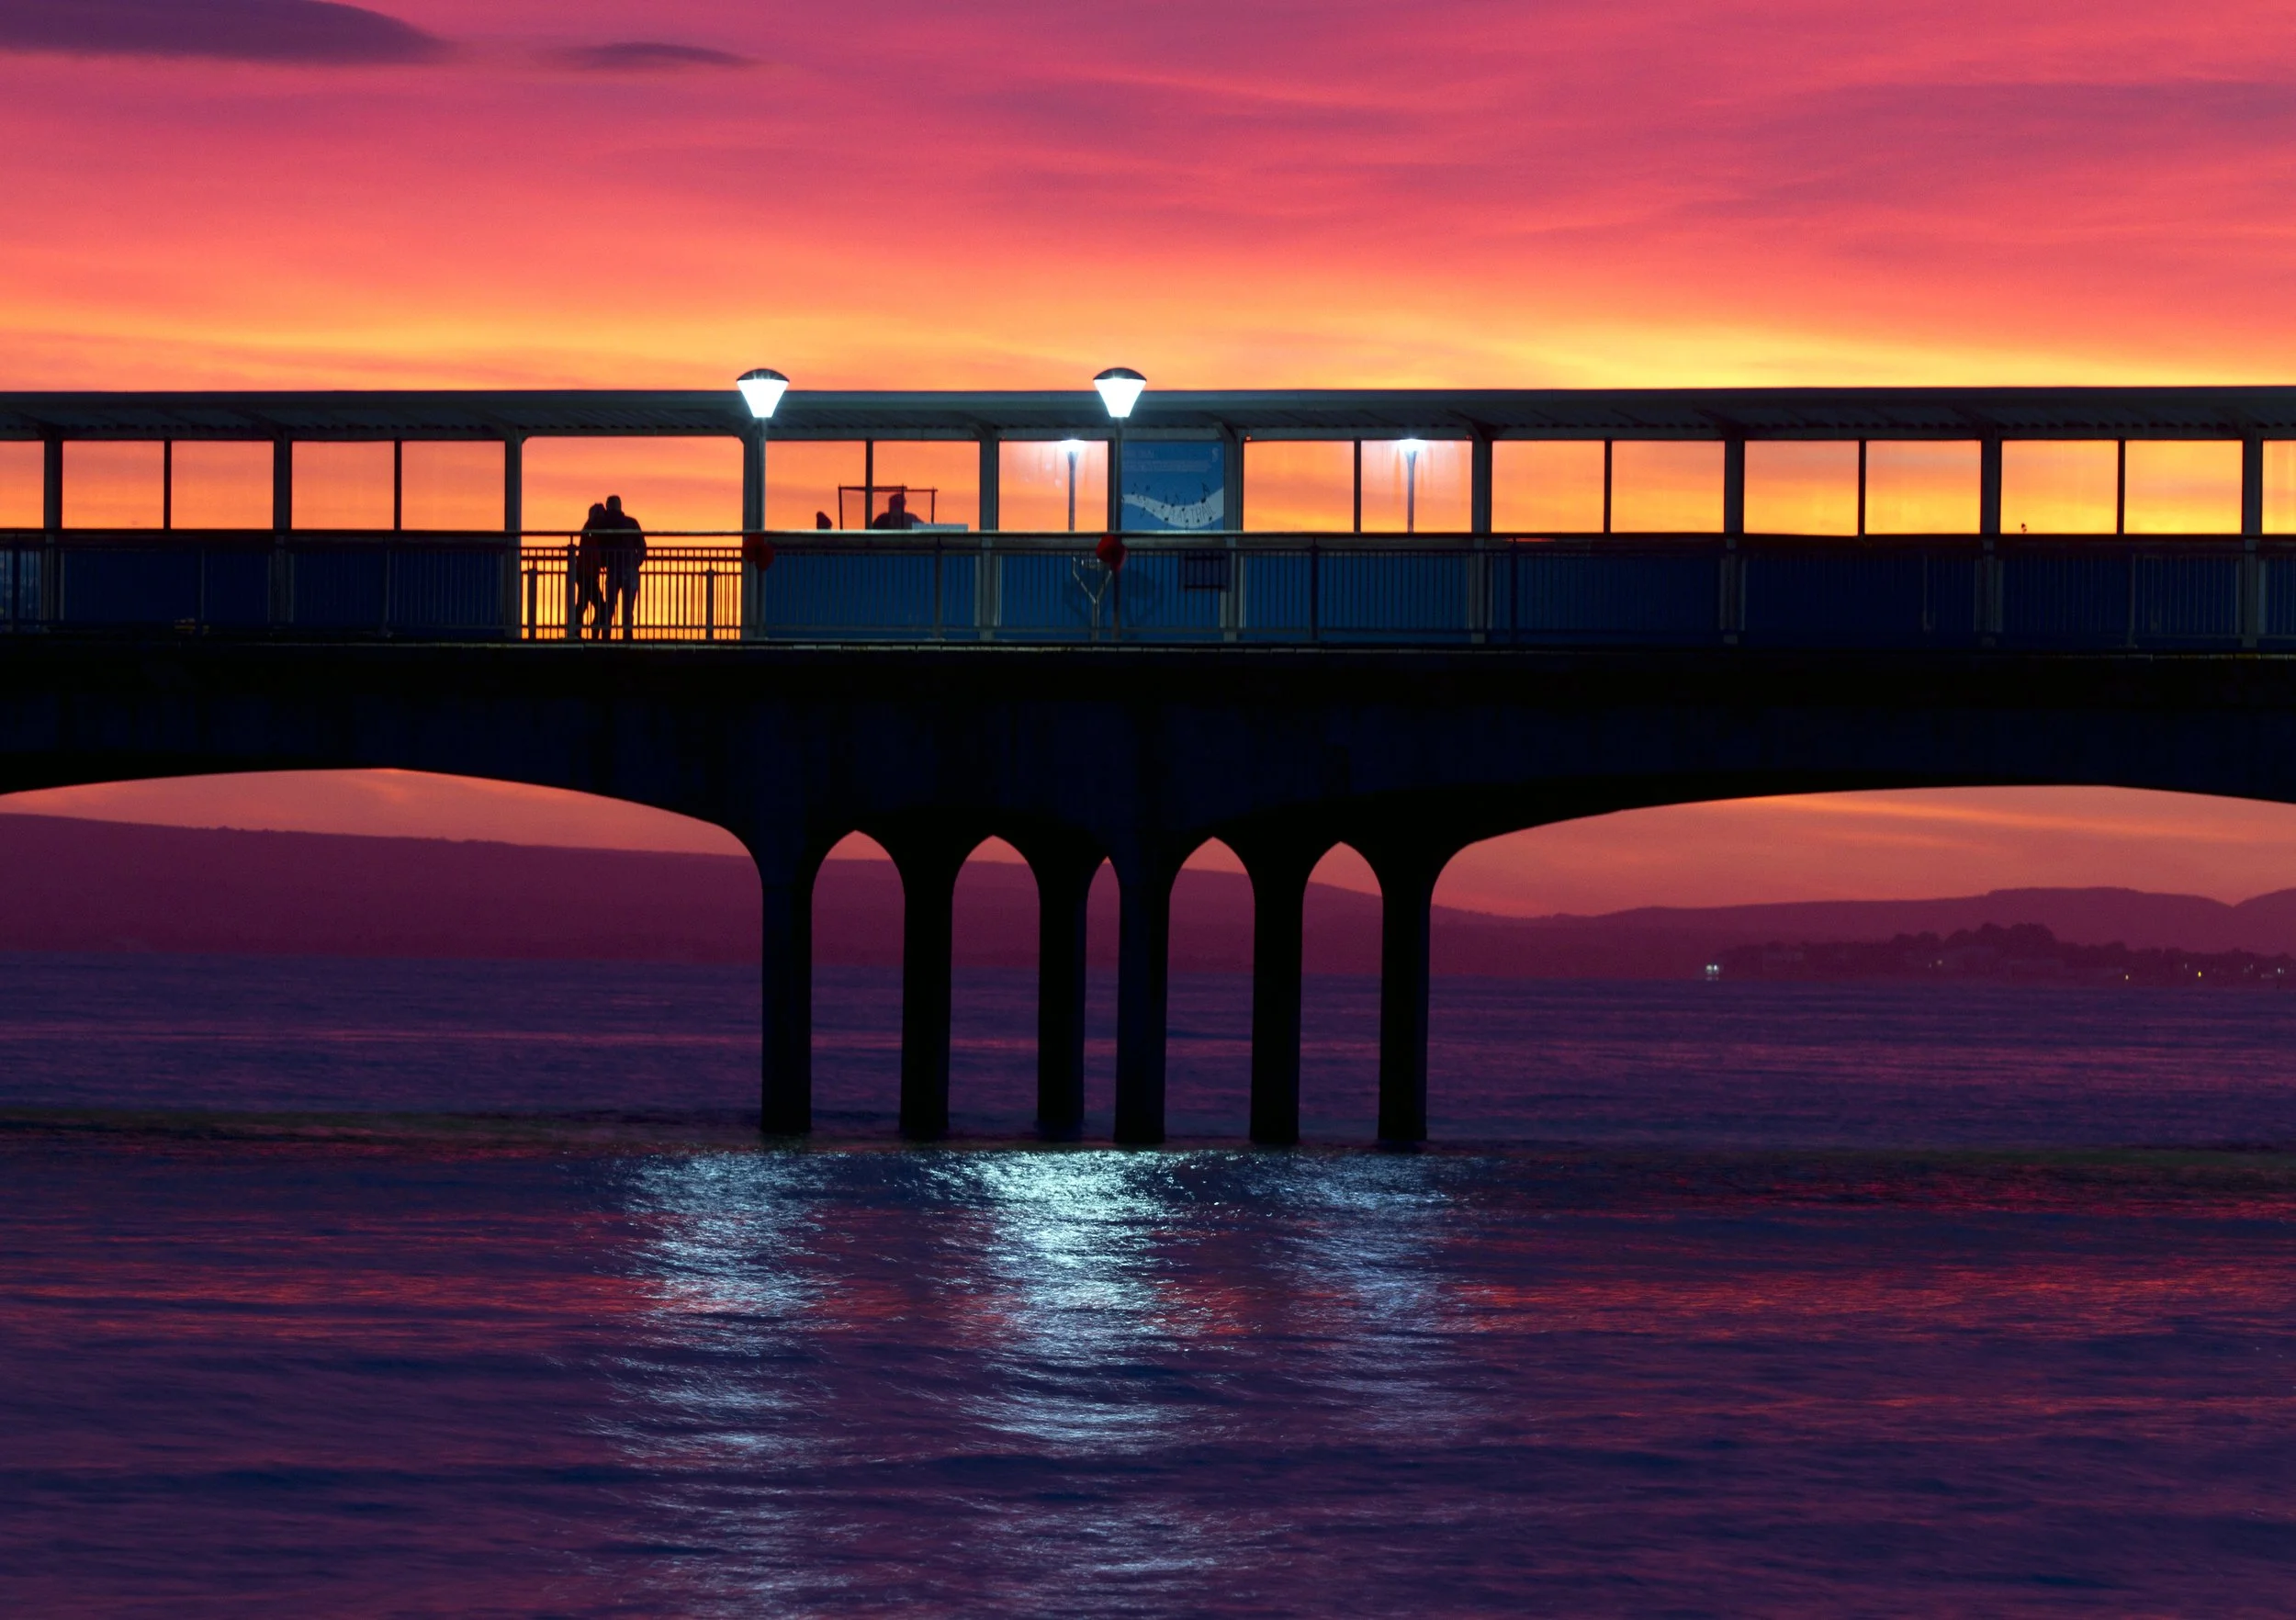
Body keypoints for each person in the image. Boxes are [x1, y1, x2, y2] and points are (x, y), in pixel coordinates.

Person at [597, 493, 646, 639]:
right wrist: (636, 562)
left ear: (609, 506)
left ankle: (606, 636)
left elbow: (599, 545)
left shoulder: (604, 523)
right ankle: (627, 635)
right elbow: (642, 546)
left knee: (610, 605)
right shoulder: (631, 523)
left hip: (613, 568)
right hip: (629, 568)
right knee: (627, 607)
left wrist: (603, 563)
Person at [570, 502, 607, 638]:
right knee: (600, 606)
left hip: (585, 573)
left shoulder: (589, 528)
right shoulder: (593, 528)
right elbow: (594, 552)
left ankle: (576, 631)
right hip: (588, 574)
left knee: (582, 604)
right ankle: (591, 630)